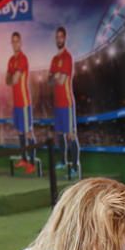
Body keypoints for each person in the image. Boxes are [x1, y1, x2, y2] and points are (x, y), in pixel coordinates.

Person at [49, 26, 78, 174]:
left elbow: (61, 81)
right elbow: (50, 80)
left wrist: (56, 76)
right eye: (57, 37)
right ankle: (62, 161)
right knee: (59, 134)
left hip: (67, 103)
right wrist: (55, 76)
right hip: (57, 104)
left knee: (70, 135)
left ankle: (74, 167)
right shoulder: (54, 59)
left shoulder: (67, 57)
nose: (58, 39)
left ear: (64, 38)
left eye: (61, 37)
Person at [5, 31, 35, 173]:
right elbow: (7, 81)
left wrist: (12, 76)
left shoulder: (23, 59)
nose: (15, 44)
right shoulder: (11, 60)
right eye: (13, 41)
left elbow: (14, 79)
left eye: (17, 41)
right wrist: (11, 76)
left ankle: (32, 162)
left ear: (20, 43)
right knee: (20, 133)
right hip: (16, 103)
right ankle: (24, 159)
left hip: (23, 102)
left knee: (28, 132)